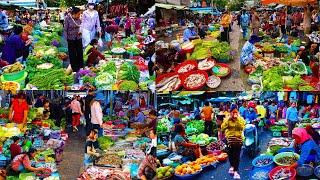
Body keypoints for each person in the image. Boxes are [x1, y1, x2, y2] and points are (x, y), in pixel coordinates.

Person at [221, 109, 245, 180]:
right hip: (229, 141)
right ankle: (232, 166)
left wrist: (237, 119)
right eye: (233, 112)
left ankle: (236, 172)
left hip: (238, 141)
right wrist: (228, 119)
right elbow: (222, 128)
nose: (234, 114)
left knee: (236, 156)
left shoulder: (241, 119)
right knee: (230, 155)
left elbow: (242, 128)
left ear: (237, 113)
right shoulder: (227, 119)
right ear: (230, 113)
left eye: (236, 112)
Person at [64, 7, 83, 72]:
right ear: (74, 14)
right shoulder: (67, 18)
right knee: (72, 54)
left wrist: (81, 31)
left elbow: (81, 26)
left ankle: (80, 66)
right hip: (71, 38)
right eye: (78, 14)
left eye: (80, 14)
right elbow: (65, 29)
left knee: (80, 52)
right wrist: (66, 39)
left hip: (78, 38)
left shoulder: (79, 19)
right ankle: (74, 68)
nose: (79, 15)